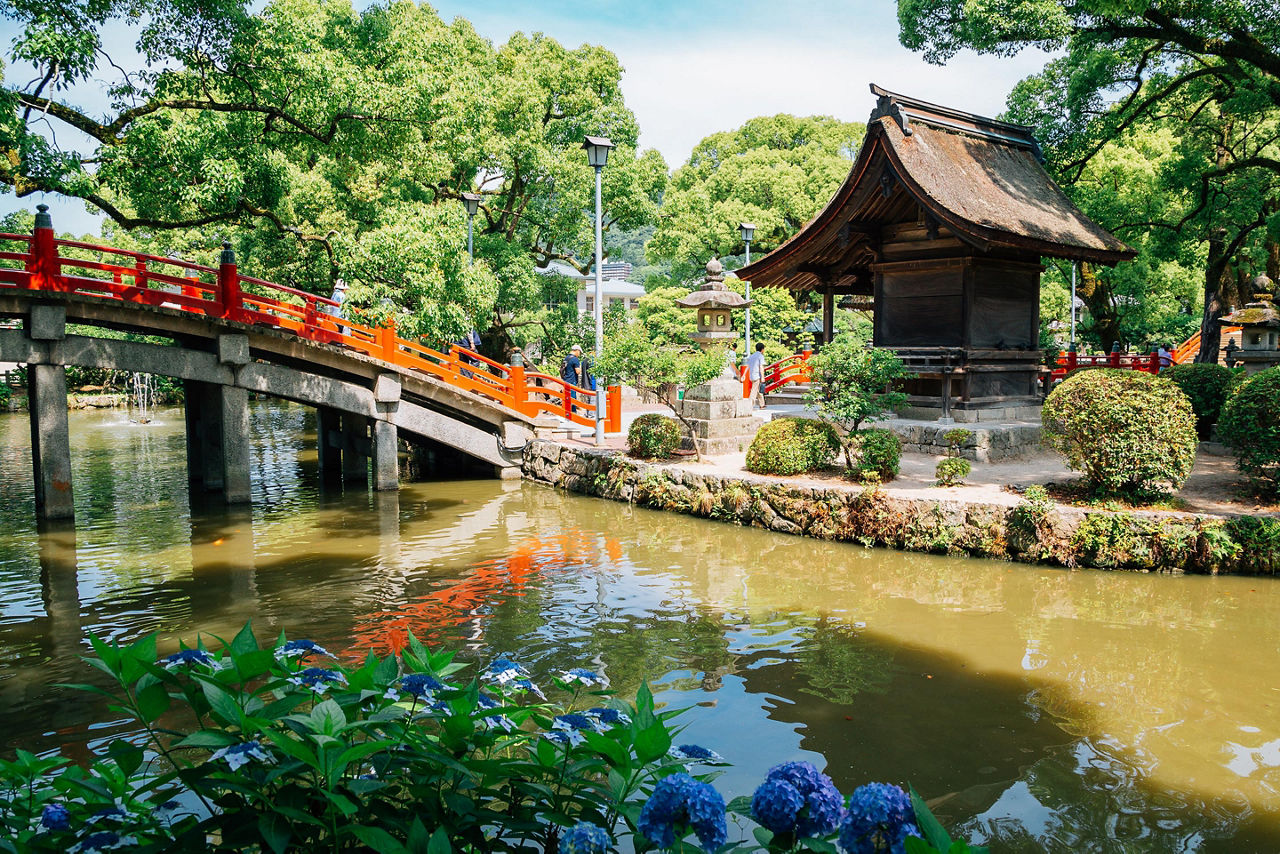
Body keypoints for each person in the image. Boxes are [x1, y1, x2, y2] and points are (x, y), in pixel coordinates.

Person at [746, 342, 767, 409]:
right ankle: (749, 405)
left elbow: (747, 366)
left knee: (758, 390)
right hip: (757, 376)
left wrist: (744, 375)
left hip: (751, 375)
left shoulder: (751, 356)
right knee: (754, 391)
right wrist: (763, 377)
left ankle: (762, 404)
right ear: (762, 349)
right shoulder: (760, 356)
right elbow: (761, 367)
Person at [562, 344, 584, 408]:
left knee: (566, 397)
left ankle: (566, 412)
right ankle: (573, 413)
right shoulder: (575, 359)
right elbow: (578, 371)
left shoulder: (566, 358)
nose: (579, 354)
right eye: (579, 352)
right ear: (577, 351)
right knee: (573, 398)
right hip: (572, 381)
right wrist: (580, 366)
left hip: (565, 380)